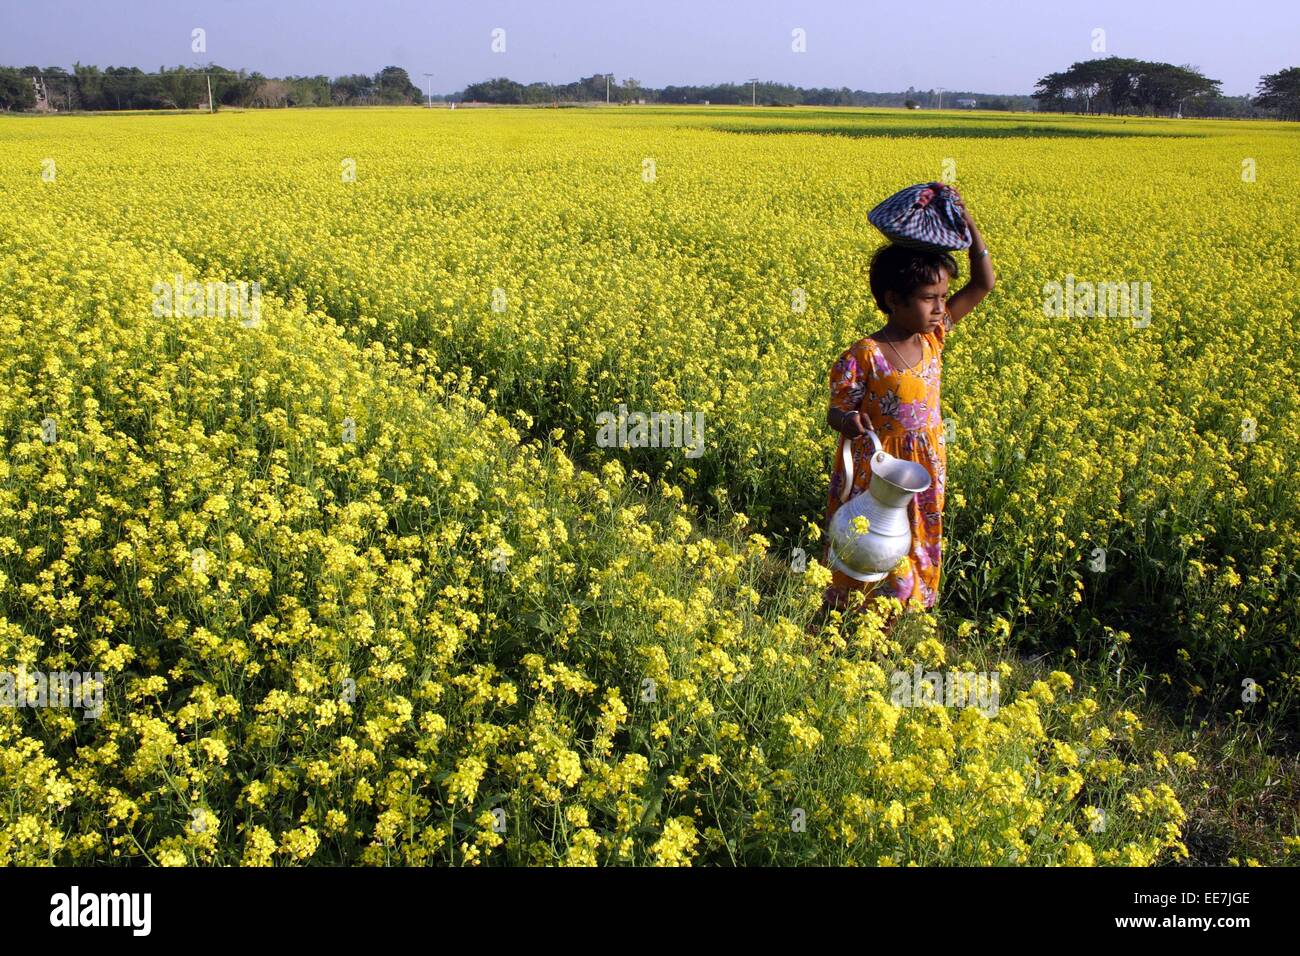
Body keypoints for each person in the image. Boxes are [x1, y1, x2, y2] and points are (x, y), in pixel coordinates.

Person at [820, 189, 995, 631]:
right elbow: (836, 411)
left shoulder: (933, 338)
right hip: (878, 471)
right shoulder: (865, 354)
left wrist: (967, 226)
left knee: (912, 547)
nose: (940, 308)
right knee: (870, 546)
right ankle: (840, 626)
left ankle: (888, 628)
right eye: (928, 298)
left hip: (925, 469)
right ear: (893, 299)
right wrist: (851, 421)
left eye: (943, 296)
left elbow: (983, 284)